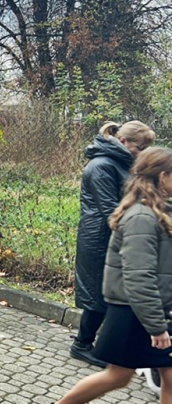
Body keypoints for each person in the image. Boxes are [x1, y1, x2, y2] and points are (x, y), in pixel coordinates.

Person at [57, 147, 172, 404]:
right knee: (117, 377)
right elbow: (138, 277)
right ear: (163, 176)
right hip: (134, 313)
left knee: (162, 377)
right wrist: (156, 326)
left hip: (151, 310)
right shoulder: (142, 217)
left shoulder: (159, 213)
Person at [72, 120, 156, 367]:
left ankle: (101, 343)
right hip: (99, 238)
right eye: (141, 148)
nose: (143, 153)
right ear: (123, 141)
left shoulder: (122, 163)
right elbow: (110, 208)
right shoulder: (101, 166)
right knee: (98, 293)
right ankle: (82, 345)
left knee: (111, 291)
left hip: (114, 235)